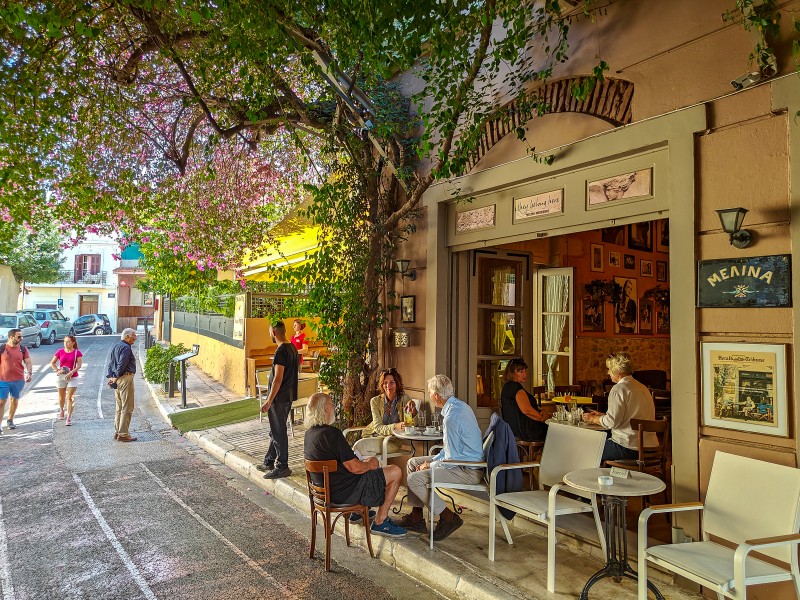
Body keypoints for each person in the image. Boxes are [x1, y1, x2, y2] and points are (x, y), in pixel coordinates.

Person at [304, 392, 407, 538]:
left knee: (368, 466)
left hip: (324, 494)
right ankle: (380, 521)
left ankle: (356, 512)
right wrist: (371, 463)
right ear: (325, 409)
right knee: (395, 471)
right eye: (331, 404)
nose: (334, 407)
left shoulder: (309, 434)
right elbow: (355, 468)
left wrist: (363, 463)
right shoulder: (332, 434)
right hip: (344, 493)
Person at [396, 374, 483, 541]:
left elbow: (452, 457)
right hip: (462, 461)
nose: (429, 395)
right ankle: (416, 518)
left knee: (415, 479)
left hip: (467, 469)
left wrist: (430, 466)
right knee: (413, 463)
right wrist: (432, 462)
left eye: (430, 392)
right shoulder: (460, 406)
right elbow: (451, 450)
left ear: (436, 395)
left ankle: (448, 517)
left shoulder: (451, 417)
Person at [582, 353, 657, 462]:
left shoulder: (618, 389)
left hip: (628, 448)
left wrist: (592, 418)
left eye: (609, 369)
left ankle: (597, 478)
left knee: (588, 447)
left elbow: (611, 423)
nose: (608, 373)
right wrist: (603, 415)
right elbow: (630, 415)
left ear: (617, 370)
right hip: (650, 448)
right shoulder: (642, 387)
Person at [257, 321, 299, 479]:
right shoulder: (292, 348)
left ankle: (282, 466)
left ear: (274, 332)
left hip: (279, 398)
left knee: (279, 431)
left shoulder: (281, 351)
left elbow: (278, 379)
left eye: (269, 332)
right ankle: (269, 460)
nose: (269, 335)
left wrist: (269, 400)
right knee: (277, 429)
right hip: (288, 396)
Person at [360, 368, 418, 455]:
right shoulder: (375, 401)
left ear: (397, 384)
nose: (388, 386)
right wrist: (395, 426)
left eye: (392, 382)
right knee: (360, 449)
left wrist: (414, 413)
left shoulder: (405, 399)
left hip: (391, 442)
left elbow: (411, 424)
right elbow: (378, 428)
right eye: (385, 383)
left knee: (361, 448)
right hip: (371, 436)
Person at [500, 358, 548, 442]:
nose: (524, 374)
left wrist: (542, 410)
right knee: (556, 431)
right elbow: (527, 411)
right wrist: (543, 419)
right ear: (512, 373)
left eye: (525, 371)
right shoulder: (516, 388)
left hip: (516, 429)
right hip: (526, 431)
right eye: (520, 372)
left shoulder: (508, 386)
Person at [106, 328, 138, 442]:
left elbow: (111, 363)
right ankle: (123, 434)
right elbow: (122, 363)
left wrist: (111, 377)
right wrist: (116, 376)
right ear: (127, 336)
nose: (135, 337)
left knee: (119, 407)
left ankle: (118, 431)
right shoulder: (126, 348)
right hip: (124, 378)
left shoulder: (116, 346)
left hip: (117, 379)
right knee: (127, 407)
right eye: (134, 335)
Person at [0, 329, 33, 433]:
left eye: (21, 337)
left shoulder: (23, 349)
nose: (21, 339)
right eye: (18, 337)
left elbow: (28, 362)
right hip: (3, 380)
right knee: (1, 402)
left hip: (18, 380)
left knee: (14, 400)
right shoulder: (2, 348)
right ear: (11, 337)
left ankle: (10, 420)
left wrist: (29, 373)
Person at [49, 335, 83, 426]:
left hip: (73, 376)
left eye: (68, 342)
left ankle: (69, 417)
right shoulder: (60, 351)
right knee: (61, 397)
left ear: (73, 343)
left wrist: (71, 372)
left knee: (70, 397)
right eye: (64, 342)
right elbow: (52, 363)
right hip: (61, 377)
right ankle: (61, 410)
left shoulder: (77, 352)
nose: (65, 344)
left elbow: (79, 365)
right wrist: (58, 370)